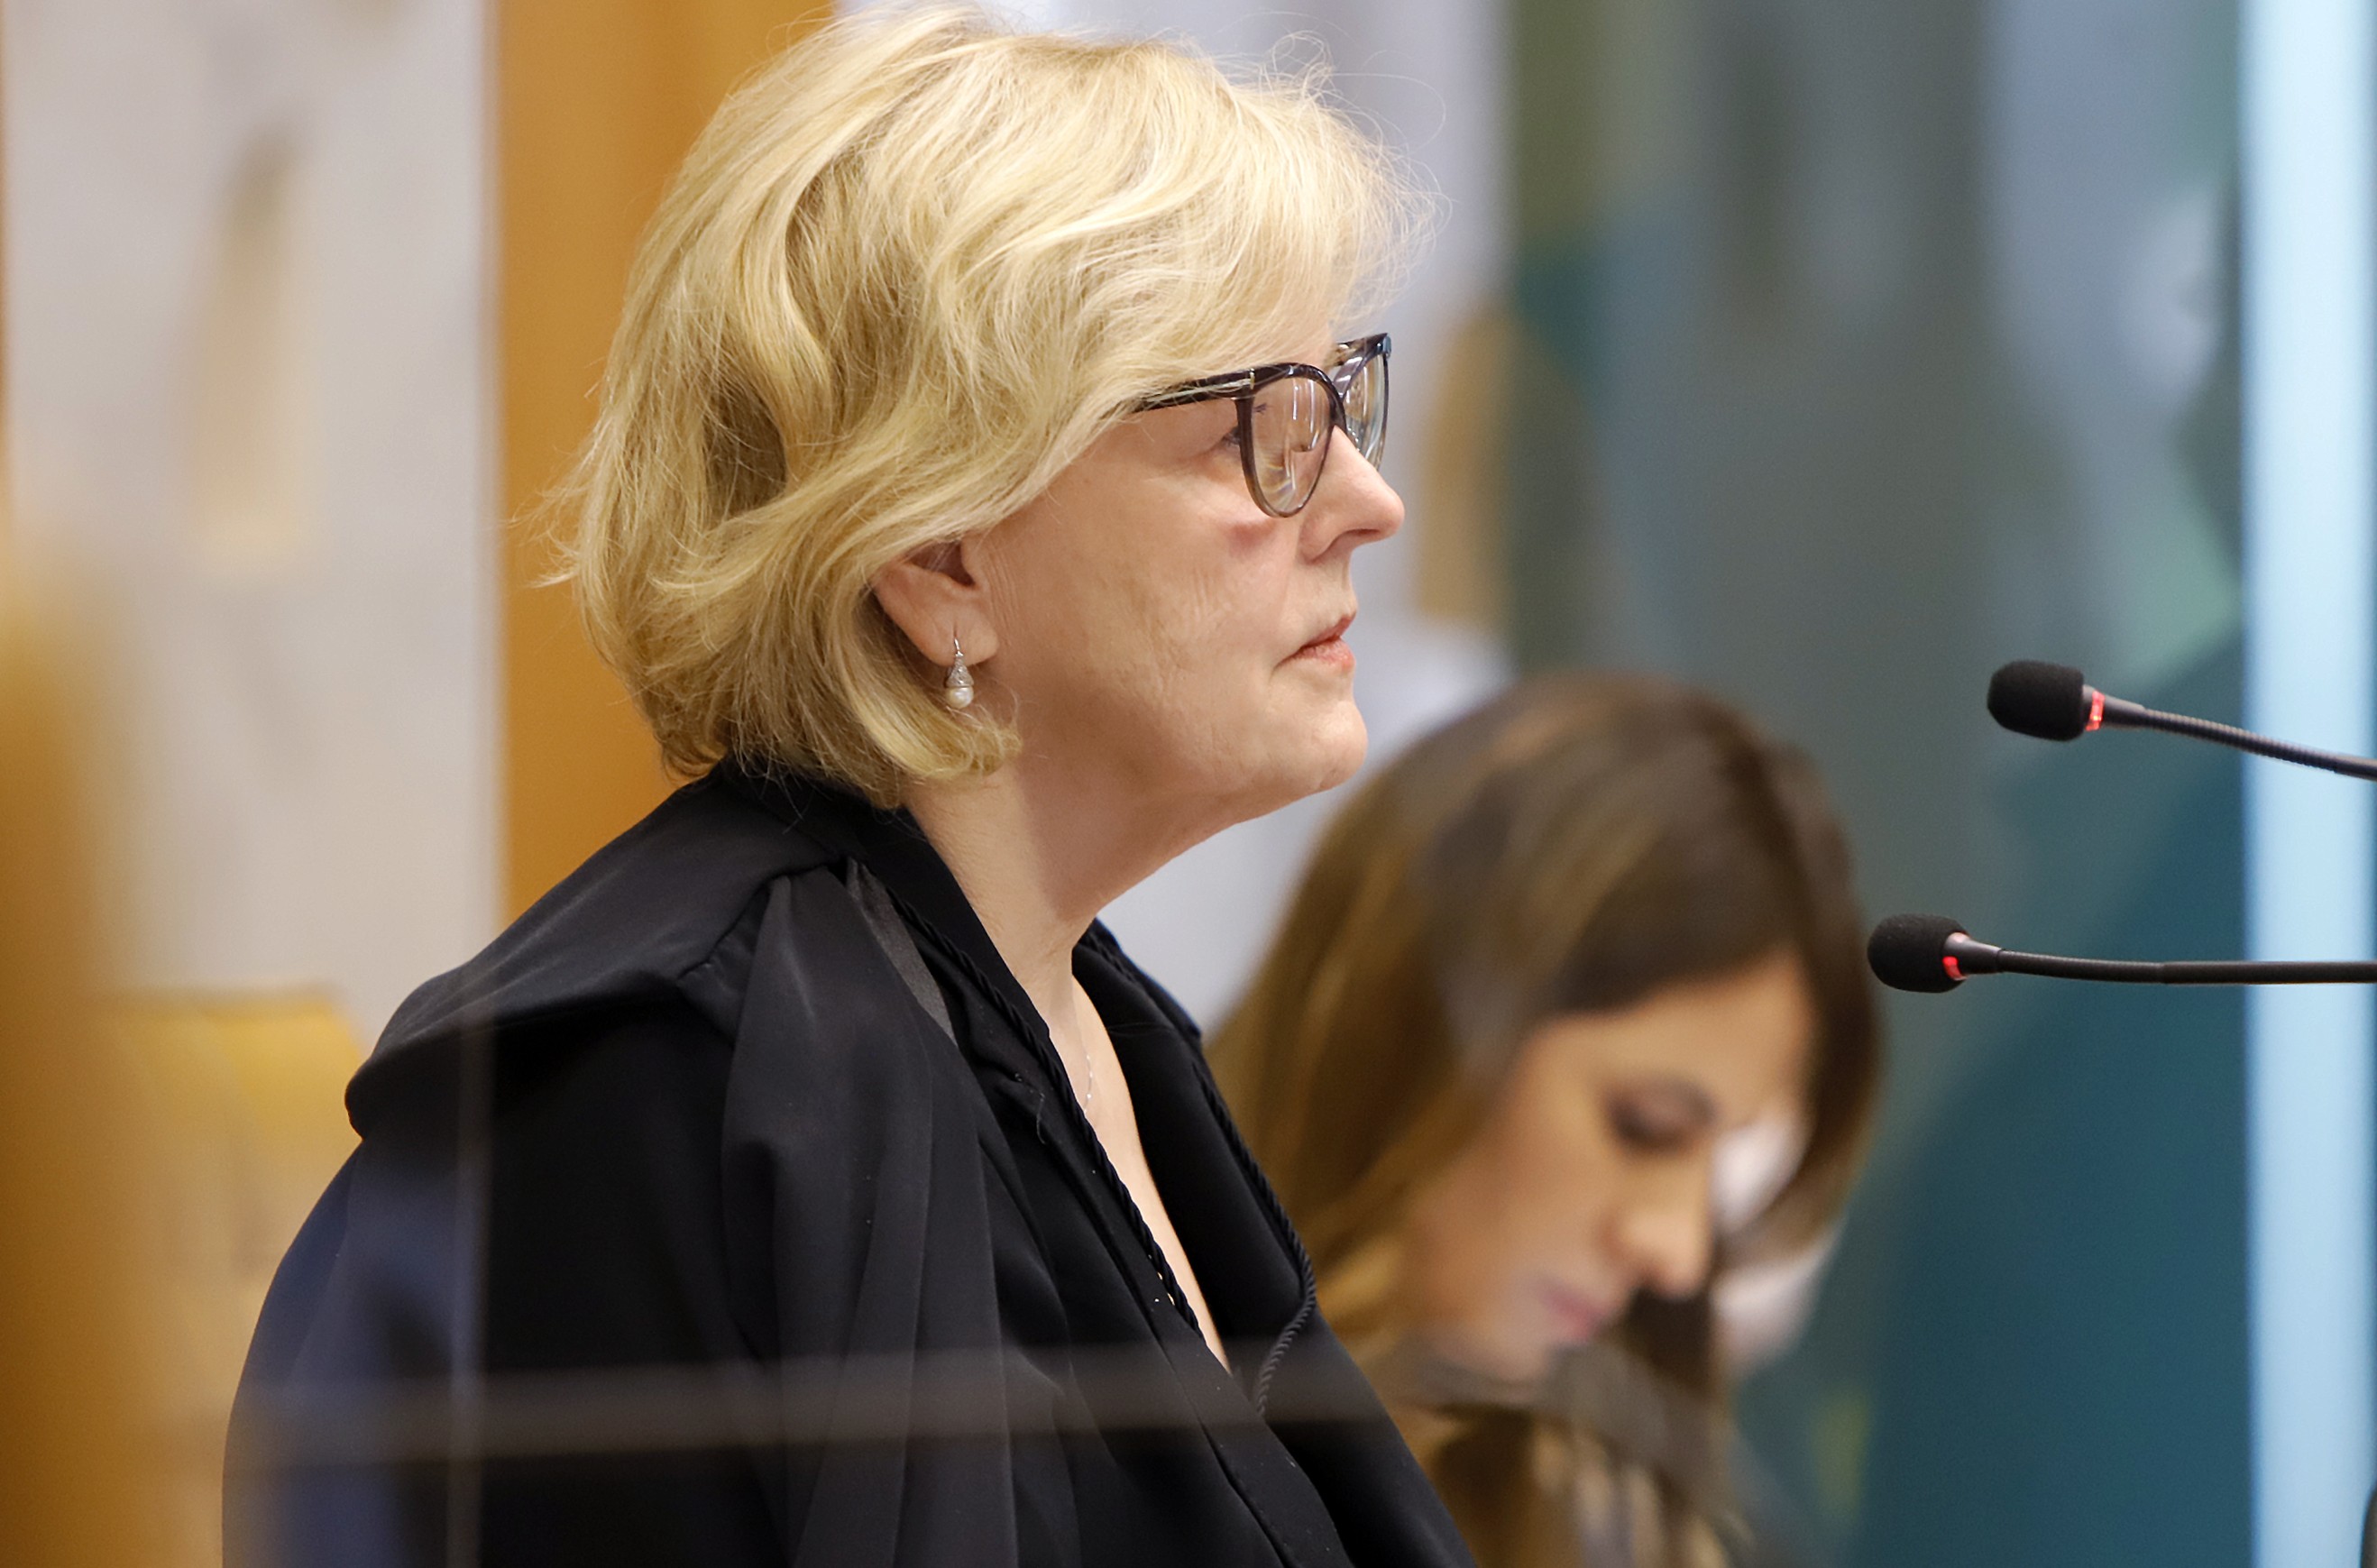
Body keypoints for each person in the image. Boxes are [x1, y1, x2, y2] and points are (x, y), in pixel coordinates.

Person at [224, 12, 1470, 1568]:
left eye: (1340, 400)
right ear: (940, 555)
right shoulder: (654, 1089)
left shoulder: (1085, 1010)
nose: (1367, 499)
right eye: (1258, 430)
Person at [1211, 675, 1882, 1568]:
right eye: (1644, 1126)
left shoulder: (1611, 1521)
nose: (1676, 1253)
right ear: (1416, 1023)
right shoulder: (1073, 1399)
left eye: (1720, 1161)